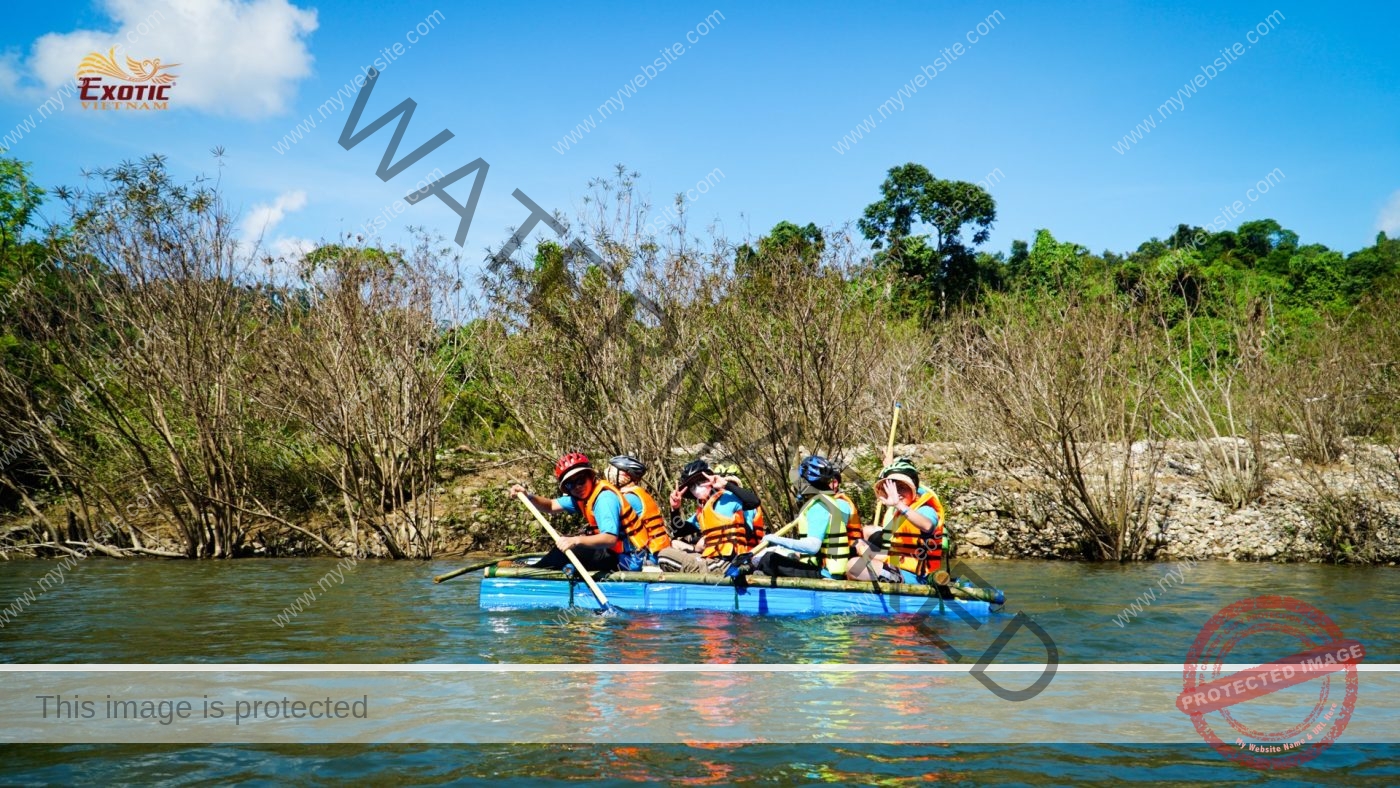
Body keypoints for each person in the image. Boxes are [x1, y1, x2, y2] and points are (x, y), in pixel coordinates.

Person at [509, 451, 646, 573]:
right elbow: (551, 506)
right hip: (611, 555)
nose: (577, 487)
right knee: (566, 545)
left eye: (581, 480)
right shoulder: (582, 498)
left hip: (626, 562)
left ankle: (529, 572)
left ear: (590, 477)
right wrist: (528, 496)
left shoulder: (604, 499)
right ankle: (534, 570)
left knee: (570, 548)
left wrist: (575, 540)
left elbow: (609, 539)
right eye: (570, 484)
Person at [749, 455, 851, 579]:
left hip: (825, 574)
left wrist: (774, 539)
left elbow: (812, 546)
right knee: (779, 555)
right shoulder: (834, 502)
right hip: (827, 569)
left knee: (768, 559)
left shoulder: (819, 507)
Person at [656, 459, 754, 574]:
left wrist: (726, 485)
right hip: (712, 559)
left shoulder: (728, 498)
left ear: (710, 480)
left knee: (665, 556)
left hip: (729, 562)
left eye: (701, 482)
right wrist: (675, 509)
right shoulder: (703, 511)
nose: (697, 488)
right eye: (692, 486)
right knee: (670, 548)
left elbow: (754, 502)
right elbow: (679, 530)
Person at [863, 458, 949, 584]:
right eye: (894, 489)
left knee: (854, 567)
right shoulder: (899, 513)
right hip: (899, 567)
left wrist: (898, 504)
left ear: (913, 489)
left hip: (916, 576)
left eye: (902, 488)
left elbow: (927, 526)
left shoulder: (926, 510)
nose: (898, 493)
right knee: (859, 544)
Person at [604, 454, 671, 564]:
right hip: (652, 552)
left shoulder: (629, 498)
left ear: (627, 475)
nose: (608, 472)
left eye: (613, 469)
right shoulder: (636, 492)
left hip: (646, 556)